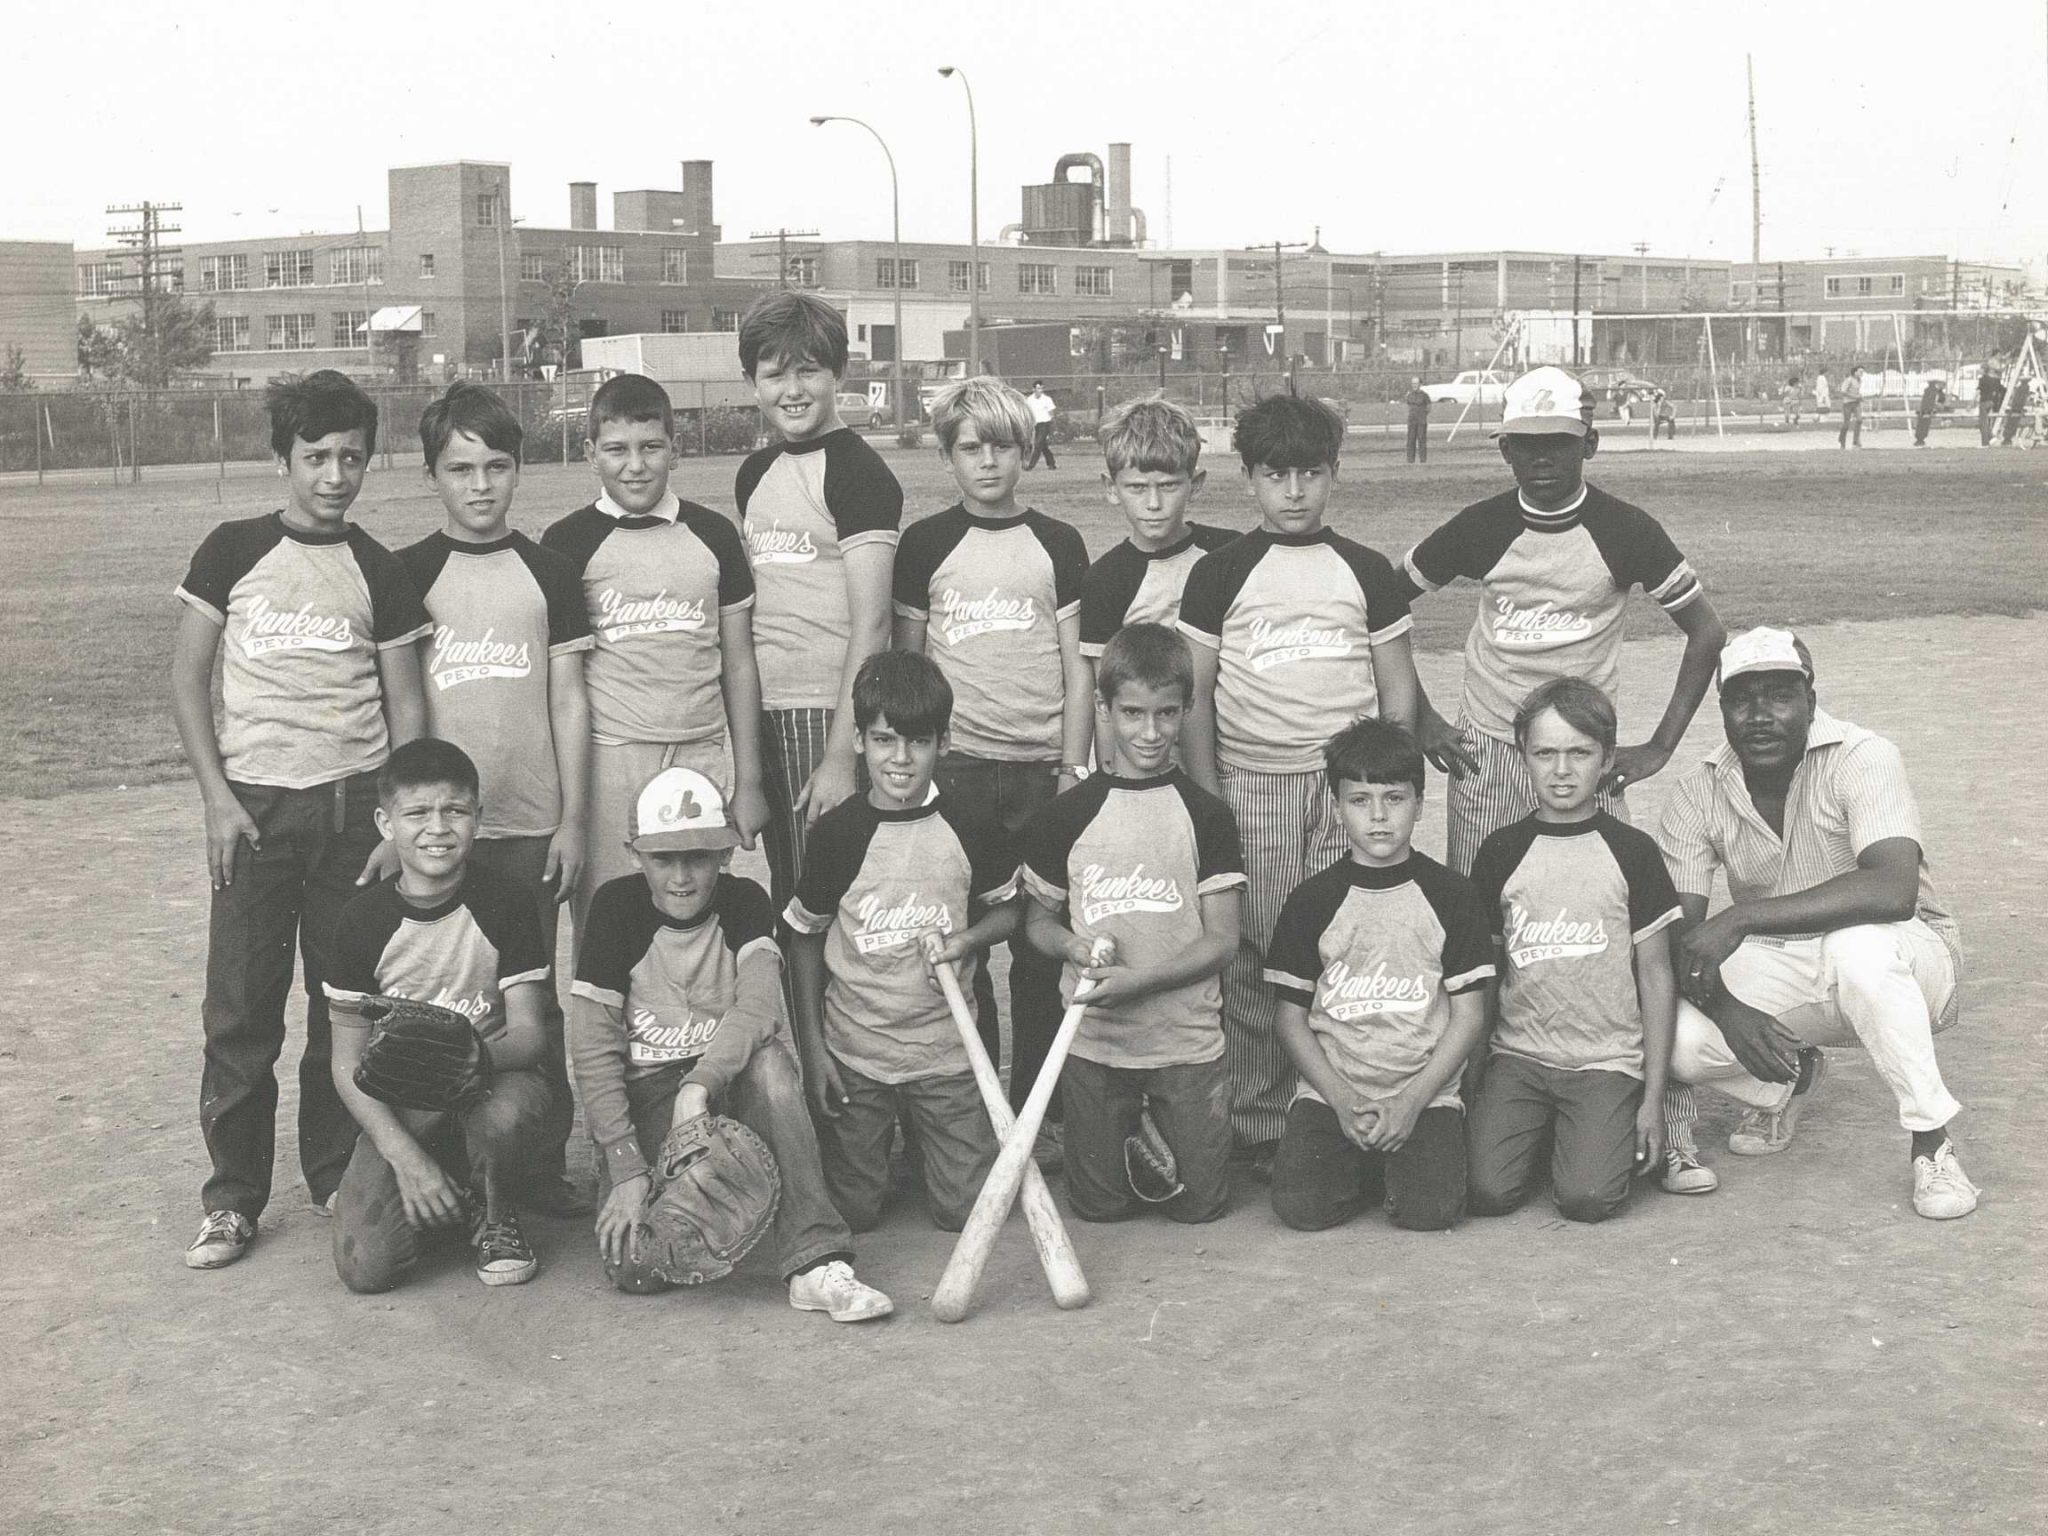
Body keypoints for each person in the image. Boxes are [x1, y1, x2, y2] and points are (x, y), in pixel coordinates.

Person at [172, 370, 430, 1269]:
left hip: (353, 811)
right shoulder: (233, 550)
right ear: (282, 458)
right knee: (241, 1010)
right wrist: (216, 796)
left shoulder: (378, 568)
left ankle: (331, 1173)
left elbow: (407, 708)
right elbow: (187, 679)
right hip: (254, 810)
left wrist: (396, 826)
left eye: (351, 458)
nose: (334, 476)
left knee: (342, 1004)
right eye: (315, 457)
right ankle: (232, 1198)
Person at [1658, 627, 1978, 1219]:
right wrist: (1726, 1009)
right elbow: (1683, 935)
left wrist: (1745, 915)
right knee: (1675, 1038)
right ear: (1721, 707)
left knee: (1857, 947)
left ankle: (1932, 1143)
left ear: (1810, 699)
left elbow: (1893, 889)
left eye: (1780, 695)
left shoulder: (1864, 754)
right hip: (1787, 959)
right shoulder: (1698, 791)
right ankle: (1790, 1076)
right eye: (1741, 699)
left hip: (1908, 957)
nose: (1760, 716)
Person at [1178, 393, 1422, 1162]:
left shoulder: (1366, 571)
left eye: (1310, 474)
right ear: (1249, 477)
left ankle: (1346, 1106)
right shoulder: (1221, 573)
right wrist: (1210, 797)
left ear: (1334, 473)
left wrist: (1388, 786)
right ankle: (1261, 1123)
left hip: (1347, 788)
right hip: (1256, 784)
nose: (1293, 492)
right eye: (1276, 475)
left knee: (1349, 945)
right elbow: (1196, 697)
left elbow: (1398, 693)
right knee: (1258, 955)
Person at [571, 766, 894, 1318]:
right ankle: (729, 1199)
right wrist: (624, 1166)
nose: (681, 877)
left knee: (770, 1067)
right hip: (652, 1095)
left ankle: (816, 1258)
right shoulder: (614, 908)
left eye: (698, 856)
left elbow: (761, 1006)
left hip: (725, 1082)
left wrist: (697, 1086)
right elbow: (592, 1049)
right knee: (637, 1268)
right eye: (663, 859)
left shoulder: (744, 900)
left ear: (724, 853)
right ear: (634, 854)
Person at [397, 383, 593, 1218]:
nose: (480, 486)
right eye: (460, 469)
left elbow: (569, 701)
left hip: (529, 824)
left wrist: (573, 819)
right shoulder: (408, 573)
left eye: (497, 467)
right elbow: (403, 706)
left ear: (519, 469)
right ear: (432, 474)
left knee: (531, 997)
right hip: (442, 833)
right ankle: (443, 1159)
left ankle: (538, 1166)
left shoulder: (549, 572)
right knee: (438, 992)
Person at [894, 376, 1091, 1160]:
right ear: (948, 454)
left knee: (1040, 953)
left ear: (1027, 451)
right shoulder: (926, 544)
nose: (988, 462)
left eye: (1004, 446)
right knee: (963, 947)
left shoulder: (1059, 543)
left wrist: (1073, 768)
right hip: (960, 772)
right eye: (971, 447)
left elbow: (1078, 669)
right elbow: (911, 674)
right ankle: (972, 1120)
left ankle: (1038, 1115)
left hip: (1040, 770)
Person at [784, 652, 1019, 1232]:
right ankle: (893, 1140)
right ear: (859, 741)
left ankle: (928, 1133)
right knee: (853, 1214)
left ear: (944, 742)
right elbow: (804, 938)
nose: (901, 758)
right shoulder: (837, 834)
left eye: (919, 741)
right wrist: (814, 1050)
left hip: (946, 1053)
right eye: (884, 740)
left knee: (966, 1212)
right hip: (857, 1053)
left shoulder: (969, 821)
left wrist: (967, 940)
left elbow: (1010, 912)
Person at [1018, 624, 1245, 1222]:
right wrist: (1071, 945)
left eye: (1166, 713)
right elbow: (1037, 924)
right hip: (1096, 1045)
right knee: (1098, 1208)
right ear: (1103, 707)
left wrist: (1140, 981)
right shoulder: (1067, 815)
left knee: (1199, 1206)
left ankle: (1164, 1126)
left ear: (1187, 710)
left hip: (1184, 1043)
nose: (1150, 732)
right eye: (1133, 713)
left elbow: (1223, 941)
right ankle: (1126, 1130)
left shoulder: (1206, 816)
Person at [540, 373, 767, 937]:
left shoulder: (713, 534)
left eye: (651, 447)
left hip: (699, 751)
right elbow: (562, 681)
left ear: (676, 449)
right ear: (590, 453)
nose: (635, 466)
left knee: (694, 920)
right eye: (617, 450)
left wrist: (749, 781)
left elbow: (739, 662)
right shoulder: (567, 542)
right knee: (609, 921)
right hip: (611, 757)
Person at [324, 739, 553, 1291]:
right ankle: (446, 1192)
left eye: (455, 810)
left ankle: (495, 1211)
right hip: (407, 1100)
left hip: (489, 1083)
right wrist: (406, 1158)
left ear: (478, 817)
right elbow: (346, 1064)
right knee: (365, 1268)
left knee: (506, 1116)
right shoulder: (360, 921)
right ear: (385, 823)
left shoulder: (506, 902)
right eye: (417, 813)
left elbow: (529, 1036)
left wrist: (464, 1058)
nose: (438, 828)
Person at [1466, 679, 1684, 1221]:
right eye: (1545, 753)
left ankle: (1581, 1135)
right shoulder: (1500, 851)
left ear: (1607, 758)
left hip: (1605, 1060)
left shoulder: (1633, 852)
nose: (1561, 770)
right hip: (1520, 1057)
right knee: (1485, 1191)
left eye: (1580, 753)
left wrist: (1653, 1099)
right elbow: (1488, 977)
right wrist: (1471, 1079)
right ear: (1523, 756)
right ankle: (1551, 1132)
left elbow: (1656, 976)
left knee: (1588, 1198)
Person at [1266, 718, 1493, 1232]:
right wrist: (1342, 1100)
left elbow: (1469, 1016)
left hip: (1424, 1092)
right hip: (1334, 1092)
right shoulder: (1312, 900)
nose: (1378, 816)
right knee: (1301, 1208)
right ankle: (1370, 1165)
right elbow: (1290, 1020)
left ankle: (1394, 1166)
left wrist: (1411, 1102)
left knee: (1430, 1212)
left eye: (1394, 798)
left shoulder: (1452, 896)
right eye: (1359, 800)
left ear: (1419, 802)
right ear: (1337, 807)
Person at [734, 292, 904, 909]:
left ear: (839, 373)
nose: (793, 390)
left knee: (827, 898)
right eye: (775, 374)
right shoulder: (755, 472)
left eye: (808, 370)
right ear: (752, 382)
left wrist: (838, 756)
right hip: (767, 709)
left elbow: (873, 622)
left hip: (826, 711)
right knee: (789, 887)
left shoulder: (858, 473)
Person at [1078, 395, 1236, 698]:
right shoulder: (1104, 580)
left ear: (1195, 484)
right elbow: (1109, 698)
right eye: (1137, 487)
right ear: (1111, 488)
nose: (1153, 503)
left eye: (1168, 485)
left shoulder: (1228, 553)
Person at [1024, 380, 1059, 470]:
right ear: (1034, 389)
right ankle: (1051, 463)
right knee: (1043, 446)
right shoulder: (1029, 400)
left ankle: (1030, 466)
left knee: (1038, 444)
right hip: (1036, 425)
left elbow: (1051, 413)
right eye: (1038, 388)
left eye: (1041, 388)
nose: (1040, 390)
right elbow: (1028, 413)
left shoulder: (1047, 399)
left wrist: (1053, 426)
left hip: (1045, 424)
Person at [1403, 378, 1433, 464]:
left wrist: (1422, 414)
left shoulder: (1424, 395)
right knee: (1410, 440)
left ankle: (1423, 460)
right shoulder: (1409, 395)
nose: (1414, 385)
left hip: (1421, 421)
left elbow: (1429, 407)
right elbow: (1408, 405)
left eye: (1416, 383)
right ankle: (1410, 460)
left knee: (1421, 439)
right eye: (1413, 383)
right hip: (1411, 421)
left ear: (1420, 384)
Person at [1977, 357, 2003, 447]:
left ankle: (1985, 443)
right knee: (1986, 422)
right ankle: (1991, 438)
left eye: (1980, 368)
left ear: (1984, 370)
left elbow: (1978, 392)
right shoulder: (1992, 379)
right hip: (1991, 401)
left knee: (1983, 423)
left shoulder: (1982, 379)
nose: (1979, 370)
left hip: (1984, 402)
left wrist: (1971, 403)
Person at [2000, 374, 2031, 447]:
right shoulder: (2025, 388)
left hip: (2016, 407)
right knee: (2013, 423)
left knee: (2012, 422)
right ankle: (2007, 438)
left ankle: (2007, 438)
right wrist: (2020, 408)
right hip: (2017, 407)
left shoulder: (2020, 388)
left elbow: (2017, 399)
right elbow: (2020, 399)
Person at [1912, 378, 1945, 447]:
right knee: (1924, 423)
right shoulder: (1933, 391)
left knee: (1923, 424)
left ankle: (1920, 438)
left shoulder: (1932, 391)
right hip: (1927, 410)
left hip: (1926, 410)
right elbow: (1934, 402)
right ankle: (1920, 438)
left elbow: (1938, 402)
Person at [1838, 365, 1864, 448]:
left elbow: (1856, 391)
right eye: (1860, 372)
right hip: (1848, 404)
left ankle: (1855, 441)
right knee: (1846, 423)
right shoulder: (1849, 380)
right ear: (1855, 372)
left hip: (1856, 403)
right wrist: (1854, 396)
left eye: (1862, 372)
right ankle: (1842, 440)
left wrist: (1859, 396)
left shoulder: (1859, 380)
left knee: (1859, 420)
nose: (1862, 373)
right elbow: (1843, 392)